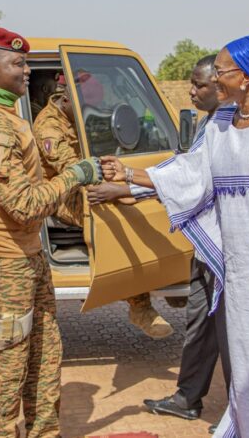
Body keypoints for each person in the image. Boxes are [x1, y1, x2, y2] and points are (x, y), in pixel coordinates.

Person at [102, 34, 249, 437]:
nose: (214, 76)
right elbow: (190, 173)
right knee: (248, 365)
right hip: (240, 277)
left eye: (221, 70)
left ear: (245, 78)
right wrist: (129, 177)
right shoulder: (219, 124)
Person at [0, 26, 100, 438]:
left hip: (26, 258)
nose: (27, 70)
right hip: (2, 263)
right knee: (8, 369)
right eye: (19, 63)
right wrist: (75, 175)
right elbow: (23, 205)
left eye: (25, 62)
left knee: (44, 356)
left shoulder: (6, 118)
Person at [89, 55, 231, 430]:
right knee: (201, 322)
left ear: (222, 85)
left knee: (231, 332)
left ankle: (241, 414)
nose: (191, 91)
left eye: (198, 85)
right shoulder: (210, 124)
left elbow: (191, 176)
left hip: (229, 248)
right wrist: (128, 188)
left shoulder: (231, 126)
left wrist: (129, 177)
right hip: (208, 247)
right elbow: (182, 172)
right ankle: (188, 398)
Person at [31, 70, 174, 339]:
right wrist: (116, 191)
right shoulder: (48, 127)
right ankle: (140, 307)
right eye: (86, 107)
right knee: (110, 211)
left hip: (88, 178)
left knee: (127, 197)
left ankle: (167, 278)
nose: (91, 112)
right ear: (66, 100)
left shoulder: (78, 113)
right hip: (61, 192)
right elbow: (73, 170)